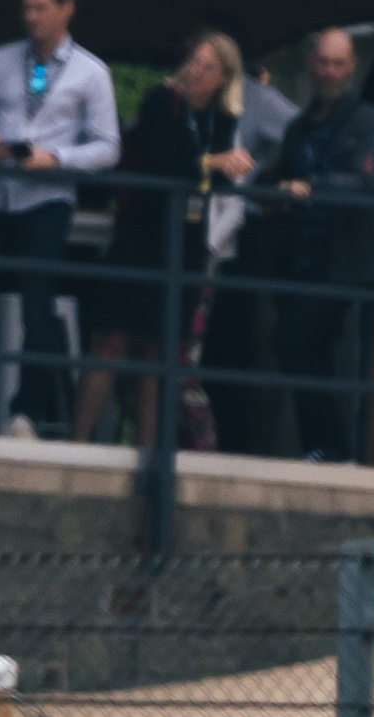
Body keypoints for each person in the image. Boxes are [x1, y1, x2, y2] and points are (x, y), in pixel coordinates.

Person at [0, 0, 117, 436]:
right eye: (26, 8)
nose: (31, 18)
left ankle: (26, 413)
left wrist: (56, 158)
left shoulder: (92, 72)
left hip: (46, 197)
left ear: (67, 9)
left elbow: (108, 148)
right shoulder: (0, 59)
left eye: (41, 8)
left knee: (38, 307)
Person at [87, 31, 251, 451]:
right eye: (193, 61)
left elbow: (213, 176)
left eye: (207, 67)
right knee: (112, 338)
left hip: (188, 240)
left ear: (224, 78)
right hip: (141, 234)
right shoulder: (163, 100)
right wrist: (213, 162)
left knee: (161, 352)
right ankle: (78, 440)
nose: (196, 72)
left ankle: (151, 453)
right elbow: (164, 160)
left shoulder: (223, 118)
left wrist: (231, 166)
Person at [255, 26, 374, 461]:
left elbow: (368, 181)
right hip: (299, 254)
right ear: (311, 66)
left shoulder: (369, 120)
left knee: (295, 341)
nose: (330, 71)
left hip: (344, 258)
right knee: (303, 348)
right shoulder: (298, 126)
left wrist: (311, 186)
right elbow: (284, 174)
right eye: (323, 62)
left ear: (351, 67)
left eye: (338, 63)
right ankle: (323, 445)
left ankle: (334, 446)